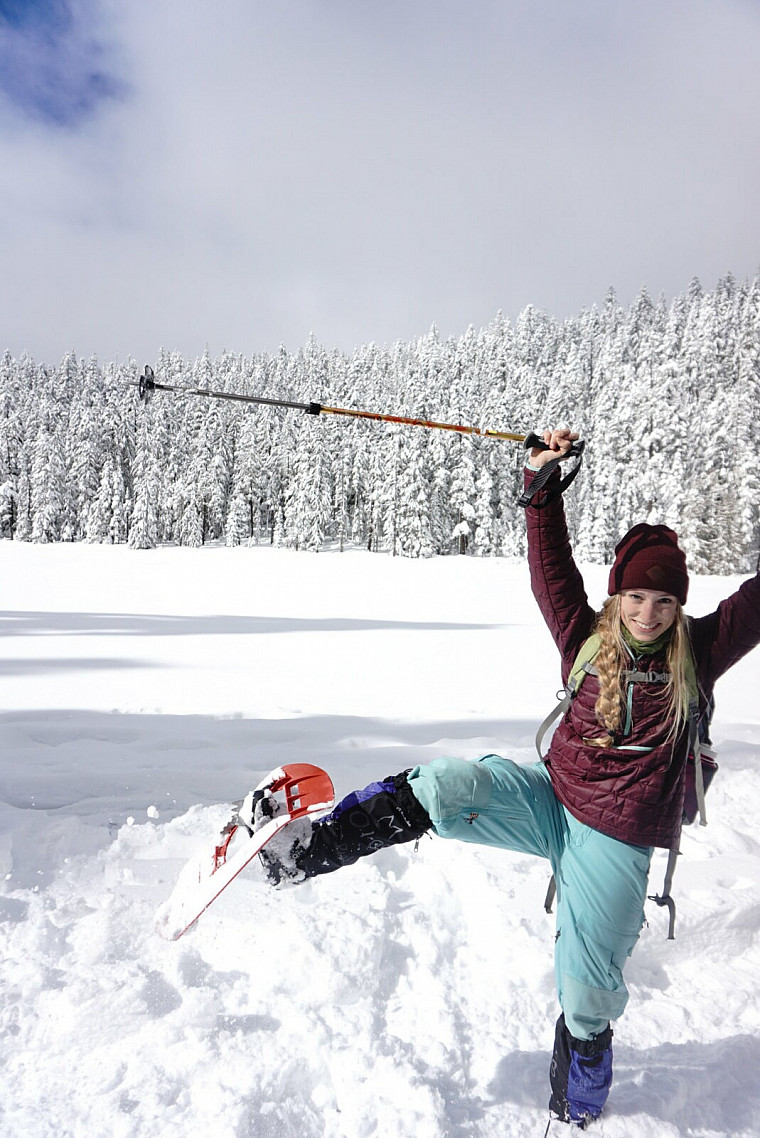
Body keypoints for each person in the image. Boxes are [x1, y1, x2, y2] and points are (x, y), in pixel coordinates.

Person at [238, 427, 760, 1129]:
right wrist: (541, 486)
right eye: (637, 598)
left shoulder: (701, 647)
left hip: (618, 841)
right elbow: (552, 571)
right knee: (448, 784)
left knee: (589, 990)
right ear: (619, 596)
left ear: (679, 607)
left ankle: (578, 1106)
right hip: (550, 802)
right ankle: (304, 853)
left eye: (663, 603)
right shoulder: (585, 634)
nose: (648, 613)